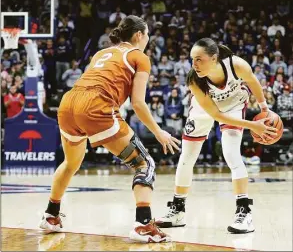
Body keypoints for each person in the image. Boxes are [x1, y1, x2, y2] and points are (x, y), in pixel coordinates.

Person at [39, 15, 180, 243]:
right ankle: (143, 224)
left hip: (68, 103)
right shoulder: (139, 57)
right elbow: (138, 103)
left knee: (71, 163)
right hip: (95, 106)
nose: (147, 41)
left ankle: (50, 215)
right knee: (144, 163)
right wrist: (158, 132)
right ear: (139, 35)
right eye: (147, 36)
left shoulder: (101, 53)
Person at [156, 38, 277, 234]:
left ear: (214, 58)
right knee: (186, 157)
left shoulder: (236, 65)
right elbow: (216, 115)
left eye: (199, 59)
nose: (194, 65)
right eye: (192, 59)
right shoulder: (194, 79)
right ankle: (178, 210)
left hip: (234, 103)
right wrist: (253, 125)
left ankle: (244, 212)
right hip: (205, 109)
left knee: (231, 154)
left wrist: (265, 109)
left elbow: (253, 82)